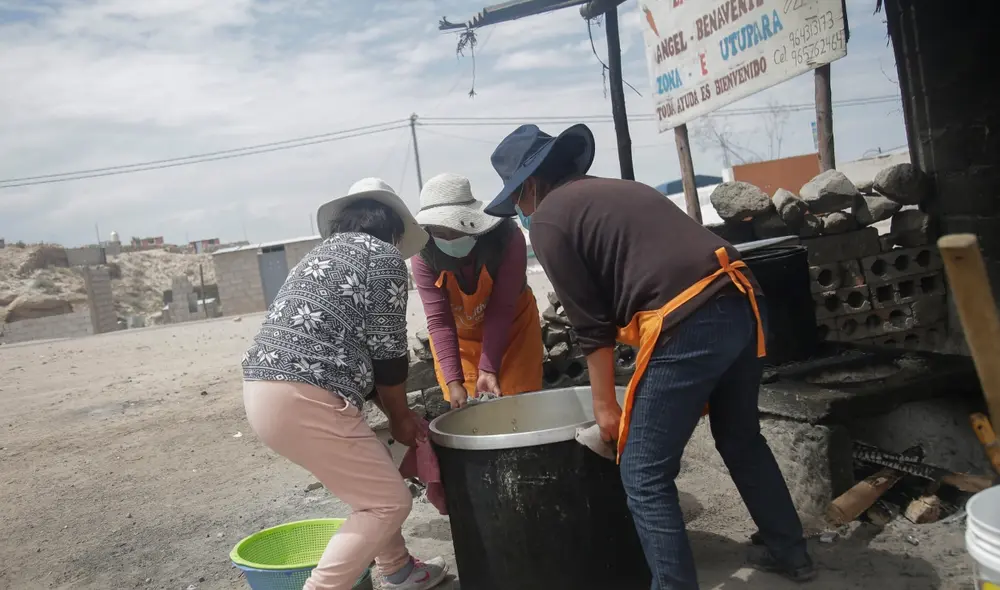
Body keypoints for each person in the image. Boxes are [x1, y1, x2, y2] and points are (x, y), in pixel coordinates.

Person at [482, 125, 815, 589]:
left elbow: (590, 325)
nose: (519, 209)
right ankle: (791, 550)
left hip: (689, 317)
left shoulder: (550, 219)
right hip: (740, 298)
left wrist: (604, 407)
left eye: (517, 198)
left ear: (529, 186)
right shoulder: (616, 190)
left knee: (643, 472)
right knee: (740, 436)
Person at [241, 178, 449, 590]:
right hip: (307, 396)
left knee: (370, 484)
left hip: (263, 390)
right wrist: (402, 416)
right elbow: (388, 352)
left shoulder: (317, 257)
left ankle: (399, 570)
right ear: (393, 229)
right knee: (388, 502)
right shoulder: (383, 256)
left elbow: (355, 345)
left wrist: (394, 412)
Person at [411, 172, 543, 408]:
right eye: (440, 232)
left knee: (520, 408)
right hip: (461, 342)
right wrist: (453, 380)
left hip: (514, 330)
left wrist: (489, 368)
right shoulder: (424, 255)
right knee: (470, 413)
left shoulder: (506, 238)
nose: (450, 238)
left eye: (458, 228)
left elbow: (502, 307)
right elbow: (439, 320)